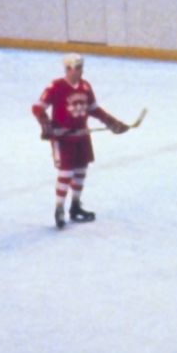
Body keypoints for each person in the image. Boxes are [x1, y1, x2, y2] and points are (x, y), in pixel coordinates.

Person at [31, 54, 129, 229]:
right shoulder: (56, 86)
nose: (81, 71)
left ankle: (75, 205)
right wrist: (45, 123)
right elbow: (37, 107)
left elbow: (94, 109)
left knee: (81, 169)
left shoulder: (85, 86)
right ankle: (59, 208)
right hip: (63, 138)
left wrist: (111, 122)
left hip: (82, 136)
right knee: (66, 172)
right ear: (69, 69)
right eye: (78, 68)